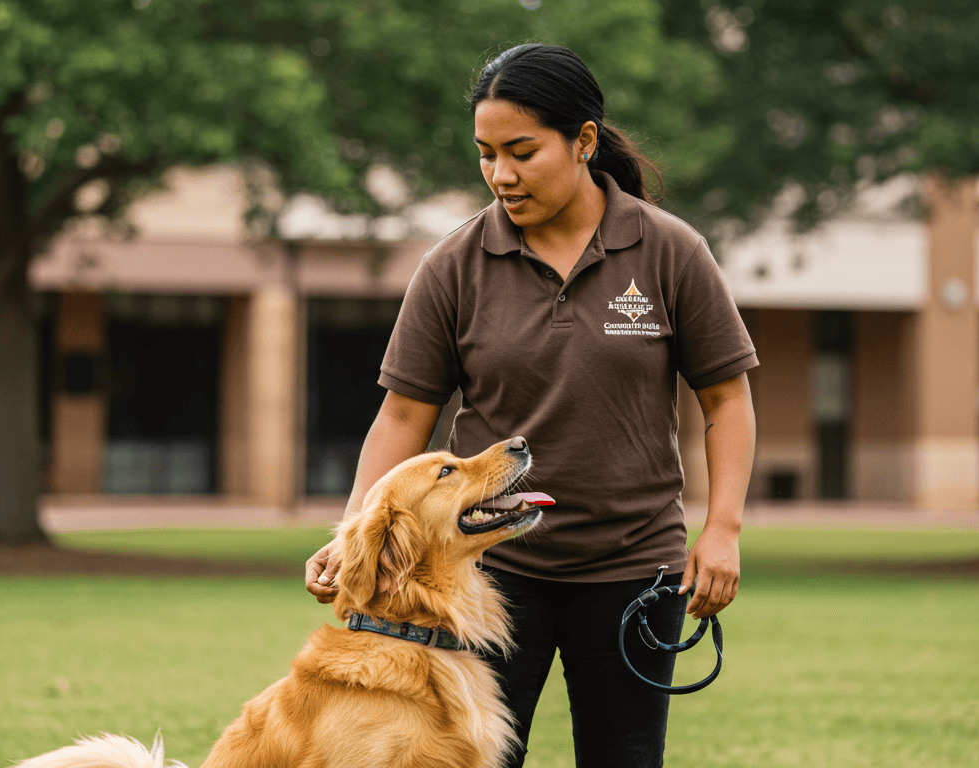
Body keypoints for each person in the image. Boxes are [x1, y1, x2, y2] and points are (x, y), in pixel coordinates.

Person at [304, 43, 757, 767]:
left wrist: (724, 527)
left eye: (521, 151)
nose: (500, 175)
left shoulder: (669, 251)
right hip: (489, 577)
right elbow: (401, 416)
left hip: (633, 568)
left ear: (583, 141)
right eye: (485, 154)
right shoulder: (453, 266)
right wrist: (353, 526)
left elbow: (726, 399)